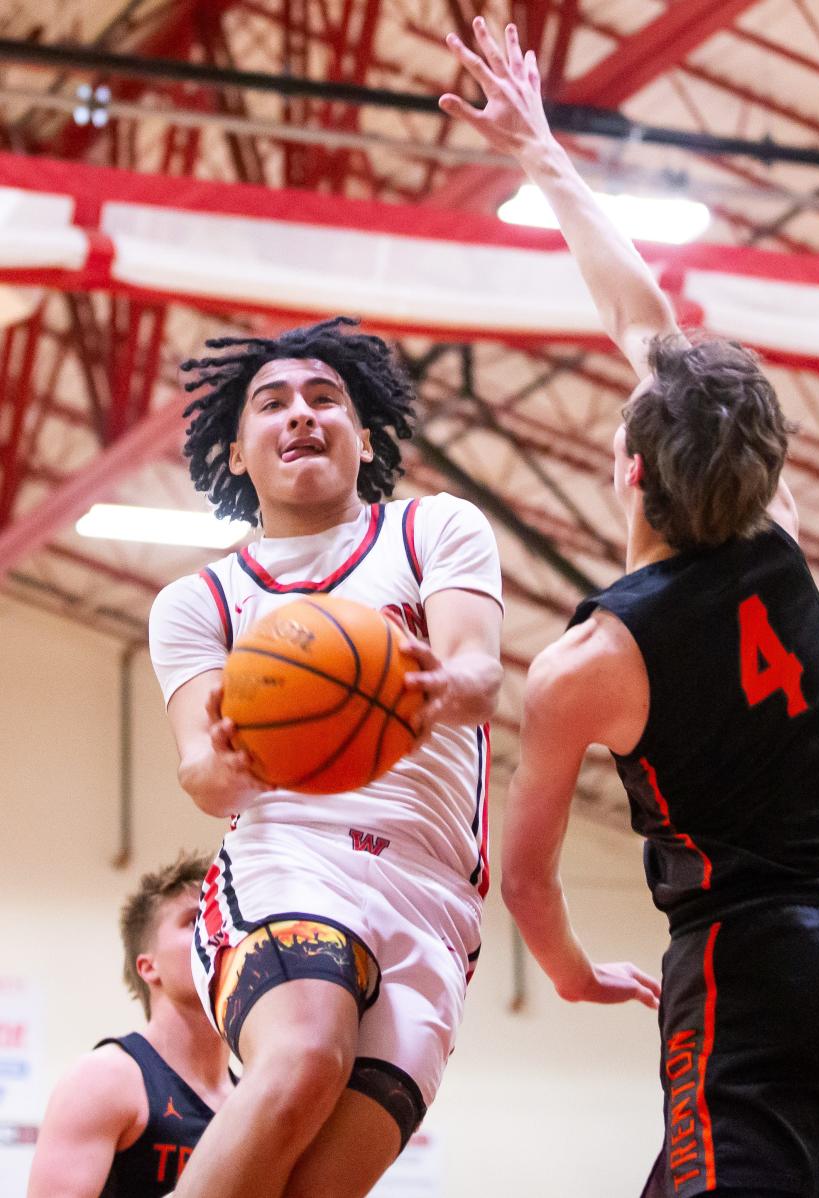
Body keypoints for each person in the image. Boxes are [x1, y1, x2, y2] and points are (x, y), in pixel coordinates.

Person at [442, 20, 819, 1198]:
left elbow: (526, 877)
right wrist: (545, 159)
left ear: (627, 472)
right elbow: (643, 319)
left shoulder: (588, 663)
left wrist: (564, 969)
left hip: (754, 953)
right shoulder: (783, 531)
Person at [148, 318, 503, 1198]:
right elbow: (201, 771)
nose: (301, 414)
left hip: (432, 895)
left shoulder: (433, 530)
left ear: (362, 433)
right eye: (272, 403)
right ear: (235, 453)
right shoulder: (201, 602)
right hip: (288, 858)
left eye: (324, 399)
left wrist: (437, 688)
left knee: (319, 1186)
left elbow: (479, 670)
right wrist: (231, 765)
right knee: (304, 1058)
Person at [27, 853, 234, 1198]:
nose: (217, 931)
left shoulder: (256, 1095)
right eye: (195, 919)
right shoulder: (105, 1078)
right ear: (148, 967)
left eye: (224, 918)